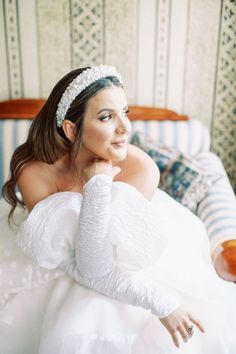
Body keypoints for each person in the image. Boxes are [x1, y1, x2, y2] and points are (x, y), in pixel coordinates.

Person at [0, 64, 235, 354]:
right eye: (106, 117)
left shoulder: (141, 169)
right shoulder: (35, 172)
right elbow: (82, 265)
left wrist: (162, 301)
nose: (125, 128)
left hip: (129, 259)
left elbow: (101, 263)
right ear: (71, 129)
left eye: (125, 112)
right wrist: (97, 185)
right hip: (66, 267)